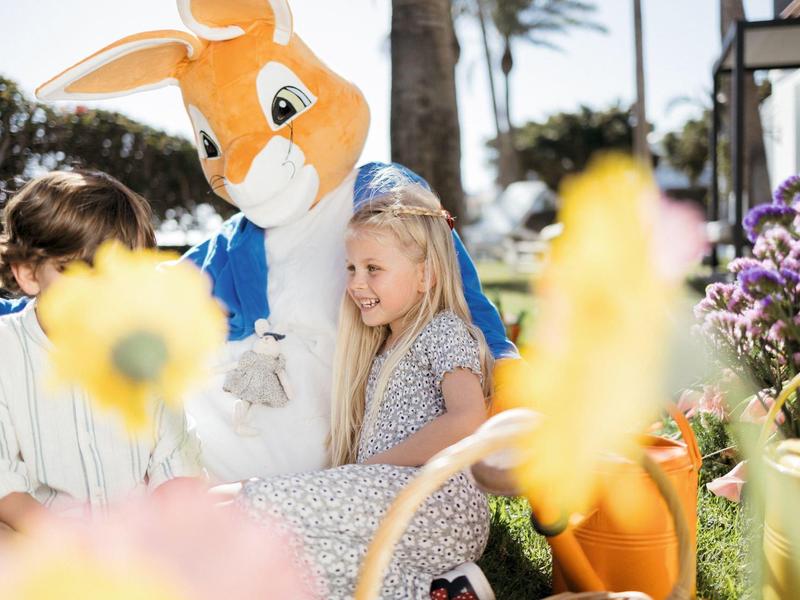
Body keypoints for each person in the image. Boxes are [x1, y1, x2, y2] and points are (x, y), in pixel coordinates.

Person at [236, 184, 495, 599]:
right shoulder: (379, 353)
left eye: (373, 268)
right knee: (286, 559)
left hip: (437, 504)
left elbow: (467, 419)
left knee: (250, 500)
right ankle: (439, 591)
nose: (357, 283)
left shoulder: (441, 330)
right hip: (406, 521)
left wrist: (370, 470)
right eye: (352, 268)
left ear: (425, 275)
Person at [0, 170, 202, 532]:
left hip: (140, 541)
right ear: (29, 273)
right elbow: (4, 484)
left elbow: (174, 461)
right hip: (41, 542)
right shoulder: (7, 351)